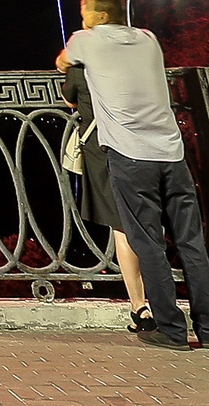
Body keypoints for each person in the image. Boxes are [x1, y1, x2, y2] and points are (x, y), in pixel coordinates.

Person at [54, 0, 209, 351]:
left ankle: (171, 331)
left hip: (130, 157)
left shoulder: (85, 40)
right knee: (192, 243)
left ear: (97, 16)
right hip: (173, 154)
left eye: (84, 12)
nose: (81, 19)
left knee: (149, 244)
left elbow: (63, 62)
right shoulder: (148, 39)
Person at [61, 59, 155, 334]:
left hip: (103, 151)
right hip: (147, 145)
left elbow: (70, 99)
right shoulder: (137, 58)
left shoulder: (81, 69)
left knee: (122, 225)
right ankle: (163, 300)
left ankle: (141, 306)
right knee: (150, 221)